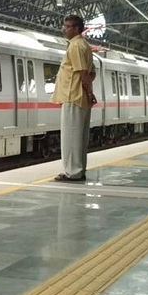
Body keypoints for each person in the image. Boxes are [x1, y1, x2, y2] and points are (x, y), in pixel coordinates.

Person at [50, 15, 97, 182]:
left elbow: (83, 73)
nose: (64, 29)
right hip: (80, 97)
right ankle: (79, 170)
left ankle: (72, 172)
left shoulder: (76, 46)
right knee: (80, 138)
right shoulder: (85, 46)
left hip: (73, 96)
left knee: (71, 138)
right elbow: (92, 73)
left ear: (77, 29)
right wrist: (89, 93)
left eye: (68, 26)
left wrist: (89, 93)